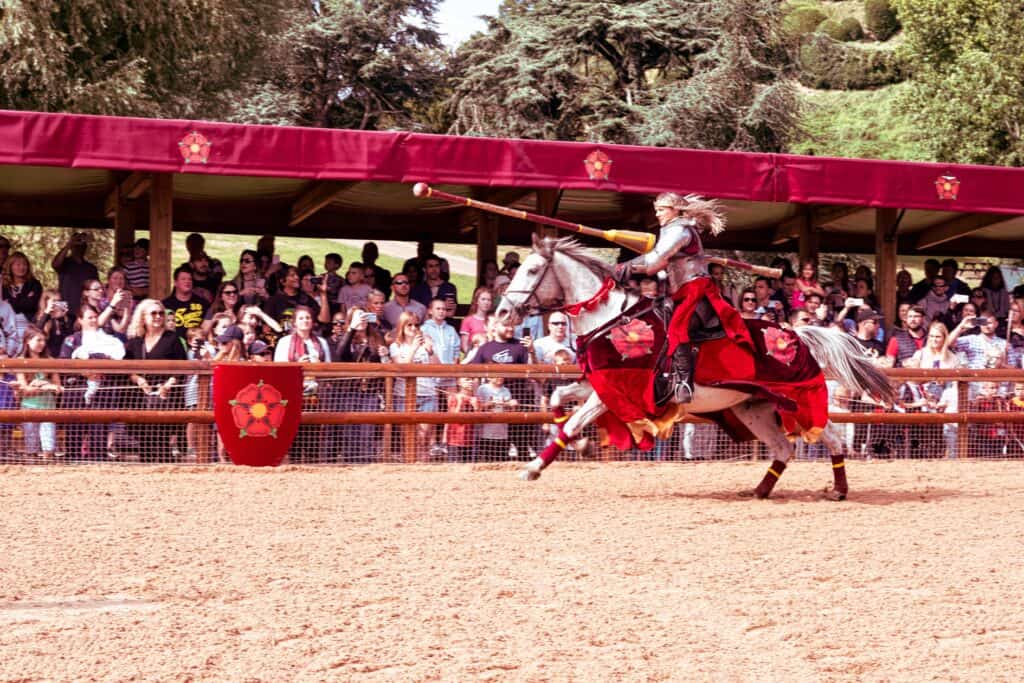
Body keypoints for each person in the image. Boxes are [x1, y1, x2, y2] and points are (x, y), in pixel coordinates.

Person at [615, 192, 746, 405]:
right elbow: (655, 261)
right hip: (680, 290)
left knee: (676, 327)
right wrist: (625, 267)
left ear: (675, 210)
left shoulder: (680, 230)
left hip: (696, 290)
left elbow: (655, 260)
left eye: (661, 210)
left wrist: (623, 267)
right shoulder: (671, 230)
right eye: (656, 210)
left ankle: (684, 382)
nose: (657, 214)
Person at [125, 300, 188, 462]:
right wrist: (138, 380)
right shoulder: (135, 341)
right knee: (144, 439)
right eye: (153, 313)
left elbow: (182, 366)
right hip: (140, 397)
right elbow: (127, 367)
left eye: (161, 313)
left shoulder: (173, 339)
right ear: (143, 317)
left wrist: (168, 385)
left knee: (162, 438)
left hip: (166, 395)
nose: (158, 316)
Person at [327, 306, 389, 463]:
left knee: (367, 430)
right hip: (349, 391)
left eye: (363, 316)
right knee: (349, 430)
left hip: (370, 391)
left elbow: (384, 364)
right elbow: (341, 354)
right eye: (357, 317)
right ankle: (350, 462)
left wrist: (384, 356)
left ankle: (366, 462)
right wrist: (352, 329)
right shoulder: (345, 337)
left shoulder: (376, 337)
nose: (362, 320)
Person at [274, 306, 330, 462]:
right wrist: (296, 364)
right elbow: (278, 368)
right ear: (294, 323)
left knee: (313, 437)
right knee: (294, 437)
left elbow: (330, 367)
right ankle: (295, 463)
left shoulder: (321, 343)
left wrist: (319, 366)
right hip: (293, 396)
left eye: (308, 318)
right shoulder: (285, 342)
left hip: (316, 396)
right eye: (301, 318)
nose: (305, 321)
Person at [389, 311, 439, 459]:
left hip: (427, 394)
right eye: (409, 325)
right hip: (404, 395)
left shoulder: (426, 342)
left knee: (423, 438)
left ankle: (423, 468)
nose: (413, 328)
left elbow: (439, 367)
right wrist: (414, 349)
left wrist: (430, 351)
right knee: (408, 438)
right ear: (402, 327)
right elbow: (402, 369)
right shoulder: (395, 346)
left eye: (416, 325)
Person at [15, 326, 62, 461]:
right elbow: (24, 390)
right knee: (31, 444)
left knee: (49, 444)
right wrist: (46, 385)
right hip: (29, 407)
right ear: (27, 341)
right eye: (38, 340)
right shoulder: (20, 361)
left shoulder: (50, 360)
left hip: (48, 407)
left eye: (43, 340)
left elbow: (57, 386)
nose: (42, 343)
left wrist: (40, 384)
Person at [51, 231, 99, 312]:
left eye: (82, 245)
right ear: (72, 247)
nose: (79, 247)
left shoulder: (91, 268)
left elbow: (96, 291)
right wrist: (69, 244)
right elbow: (55, 264)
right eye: (76, 245)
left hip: (84, 311)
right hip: (64, 310)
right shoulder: (64, 263)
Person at [3, 251, 43, 339]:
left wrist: (12, 301)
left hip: (29, 324)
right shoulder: (3, 285)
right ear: (10, 267)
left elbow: (31, 305)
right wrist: (25, 299)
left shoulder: (34, 284)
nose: (21, 267)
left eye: (24, 264)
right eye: (18, 265)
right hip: (7, 325)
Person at [162, 266, 208, 338]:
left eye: (190, 279)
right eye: (183, 279)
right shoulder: (165, 305)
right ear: (175, 283)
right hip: (174, 344)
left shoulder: (203, 303)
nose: (187, 282)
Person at [445, 377, 480, 462]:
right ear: (459, 383)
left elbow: (479, 420)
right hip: (455, 440)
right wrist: (460, 403)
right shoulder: (454, 397)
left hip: (471, 439)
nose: (470, 381)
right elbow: (454, 417)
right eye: (467, 379)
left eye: (472, 379)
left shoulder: (475, 399)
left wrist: (476, 407)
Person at [460, 286, 493, 354]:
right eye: (483, 299)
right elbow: (464, 346)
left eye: (489, 300)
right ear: (477, 301)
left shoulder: (493, 320)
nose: (486, 302)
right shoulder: (468, 320)